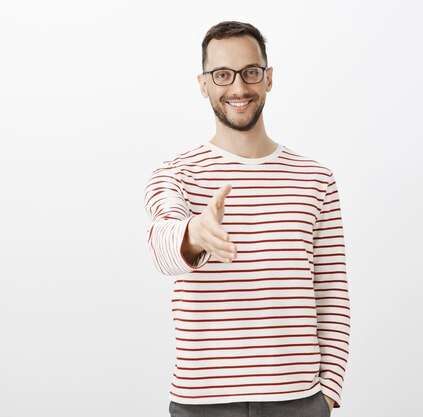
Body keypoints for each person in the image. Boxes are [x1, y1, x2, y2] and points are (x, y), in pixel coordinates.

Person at [143, 21, 350, 416]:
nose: (238, 88)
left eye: (250, 72)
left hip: (298, 399)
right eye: (222, 75)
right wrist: (195, 234)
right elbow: (160, 246)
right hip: (202, 401)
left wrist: (328, 393)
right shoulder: (176, 173)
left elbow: (331, 292)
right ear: (203, 84)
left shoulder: (316, 179)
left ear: (268, 78)